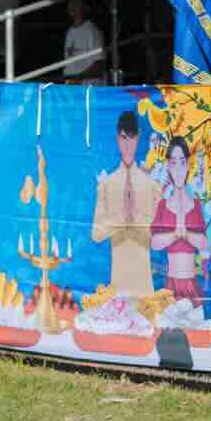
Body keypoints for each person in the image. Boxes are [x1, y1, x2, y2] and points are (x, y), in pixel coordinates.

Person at [90, 110, 160, 299]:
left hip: (145, 289)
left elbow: (160, 235)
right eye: (123, 137)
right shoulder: (107, 184)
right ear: (117, 139)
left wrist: (135, 218)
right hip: (117, 287)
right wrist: (122, 218)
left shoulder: (152, 184)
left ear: (138, 138)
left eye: (132, 137)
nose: (128, 143)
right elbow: (96, 234)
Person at [149, 136, 208, 303]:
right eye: (174, 162)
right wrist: (175, 234)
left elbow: (203, 242)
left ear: (188, 165)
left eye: (182, 162)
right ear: (168, 166)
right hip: (170, 284)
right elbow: (154, 242)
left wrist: (186, 235)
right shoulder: (162, 205)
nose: (178, 169)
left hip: (192, 284)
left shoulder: (196, 205)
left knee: (195, 327)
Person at [62, 0, 104, 80]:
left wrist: (79, 78)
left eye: (76, 3)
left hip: (86, 88)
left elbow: (99, 63)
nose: (72, 6)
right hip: (70, 85)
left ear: (85, 7)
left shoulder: (92, 30)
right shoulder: (69, 31)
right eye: (70, 2)